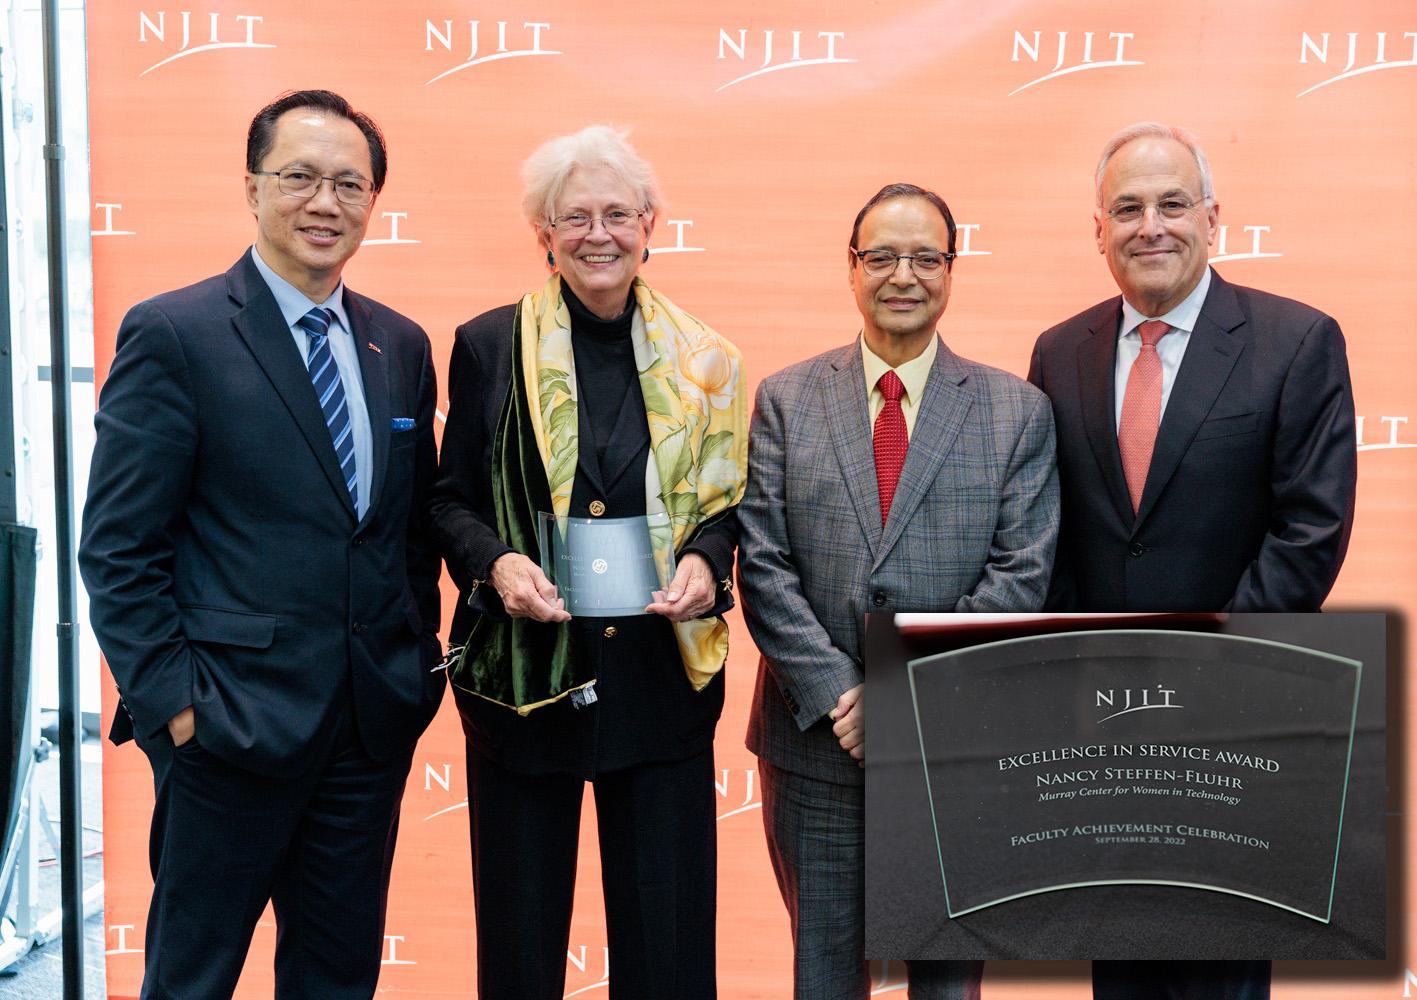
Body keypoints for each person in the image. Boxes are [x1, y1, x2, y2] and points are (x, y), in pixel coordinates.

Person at [78, 90, 444, 998]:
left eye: (349, 184)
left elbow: (405, 530)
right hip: (227, 733)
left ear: (373, 202)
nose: (326, 202)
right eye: (301, 178)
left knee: (336, 978)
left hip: (365, 734)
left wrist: (407, 667)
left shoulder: (397, 343)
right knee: (191, 979)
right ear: (252, 188)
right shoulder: (178, 332)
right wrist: (176, 708)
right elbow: (119, 546)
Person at [1028, 122, 1357, 999]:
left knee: (1219, 971)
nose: (1151, 227)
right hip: (1099, 731)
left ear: (1213, 217)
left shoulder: (1296, 342)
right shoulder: (1057, 354)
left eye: (1172, 204)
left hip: (1234, 723)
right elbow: (1048, 532)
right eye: (1125, 208)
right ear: (1096, 229)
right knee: (1120, 968)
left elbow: (1308, 535)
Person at [427, 125, 746, 1000]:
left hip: (658, 680)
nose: (597, 233)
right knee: (521, 948)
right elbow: (447, 500)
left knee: (670, 948)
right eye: (574, 217)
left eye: (617, 213)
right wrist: (493, 564)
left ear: (650, 224)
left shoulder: (706, 359)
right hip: (526, 677)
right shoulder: (489, 345)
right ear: (544, 234)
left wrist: (706, 562)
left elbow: (726, 508)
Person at [738, 182, 1059, 1000]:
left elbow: (1020, 574)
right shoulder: (785, 398)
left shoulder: (1014, 411)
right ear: (850, 268)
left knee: (947, 984)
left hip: (950, 745)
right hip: (815, 742)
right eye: (881, 256)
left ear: (951, 270)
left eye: (925, 256)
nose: (902, 275)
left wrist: (903, 692)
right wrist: (843, 693)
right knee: (823, 976)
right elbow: (764, 567)